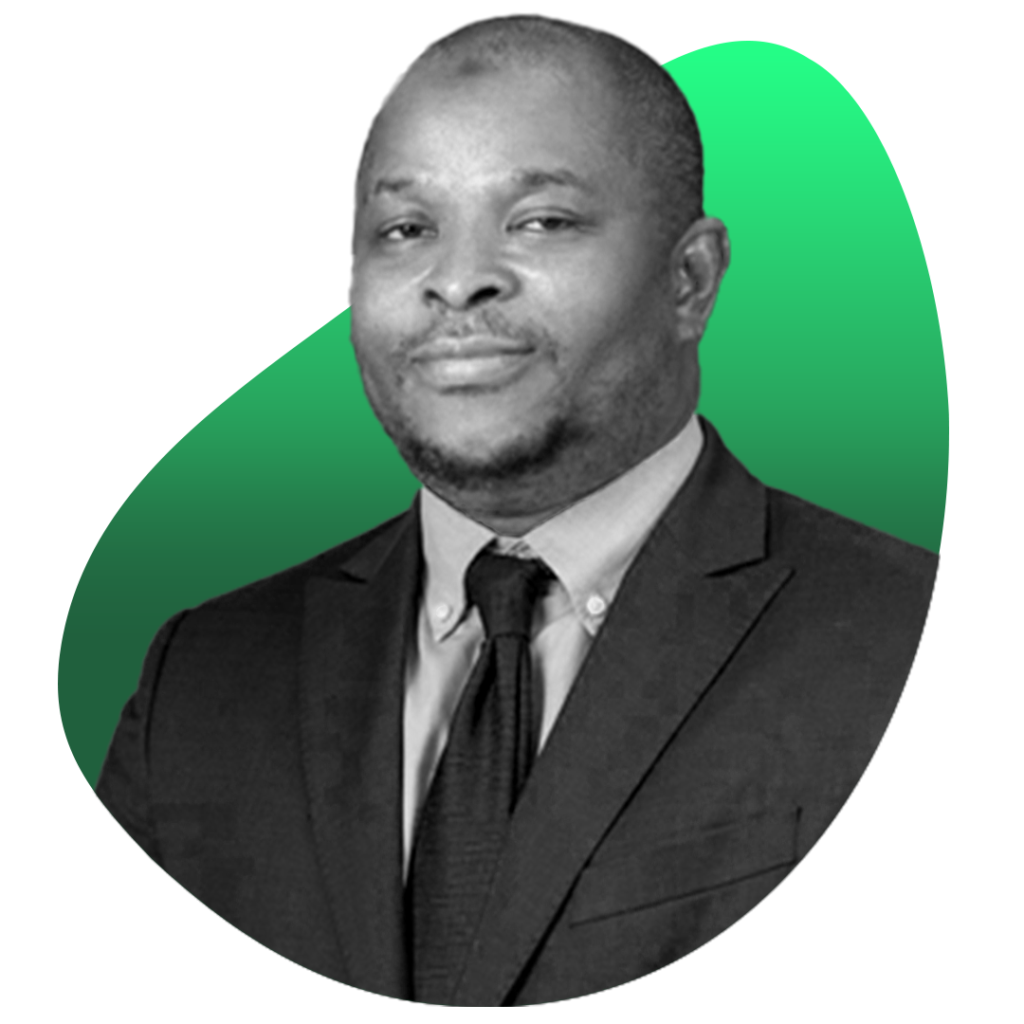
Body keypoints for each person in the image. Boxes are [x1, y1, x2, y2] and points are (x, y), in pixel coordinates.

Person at [94, 15, 940, 1006]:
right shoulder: (200, 682)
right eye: (406, 230)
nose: (457, 281)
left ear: (690, 280)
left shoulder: (893, 639)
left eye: (540, 221)